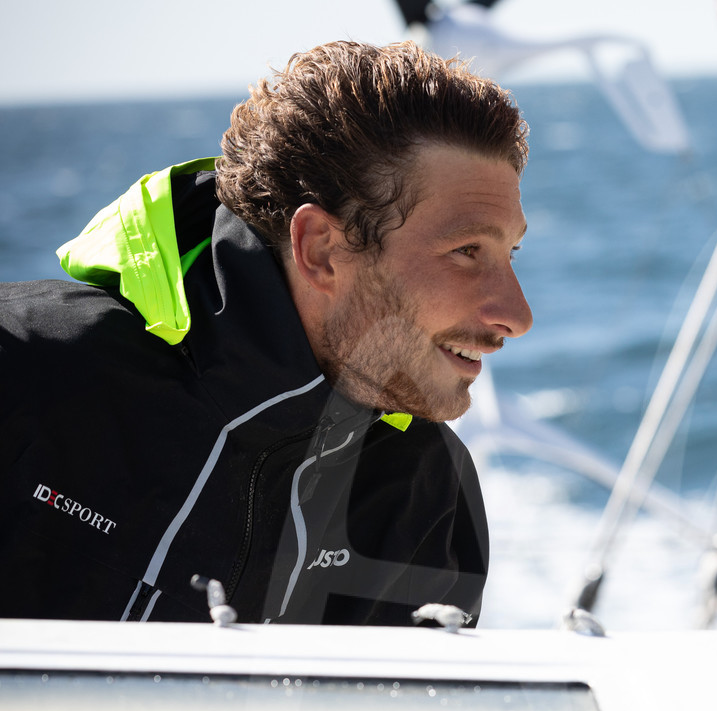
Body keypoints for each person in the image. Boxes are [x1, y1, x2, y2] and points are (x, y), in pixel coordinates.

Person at [0, 40, 532, 625]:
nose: (518, 315)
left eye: (511, 253)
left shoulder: (426, 495)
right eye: (466, 251)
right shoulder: (24, 368)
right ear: (321, 251)